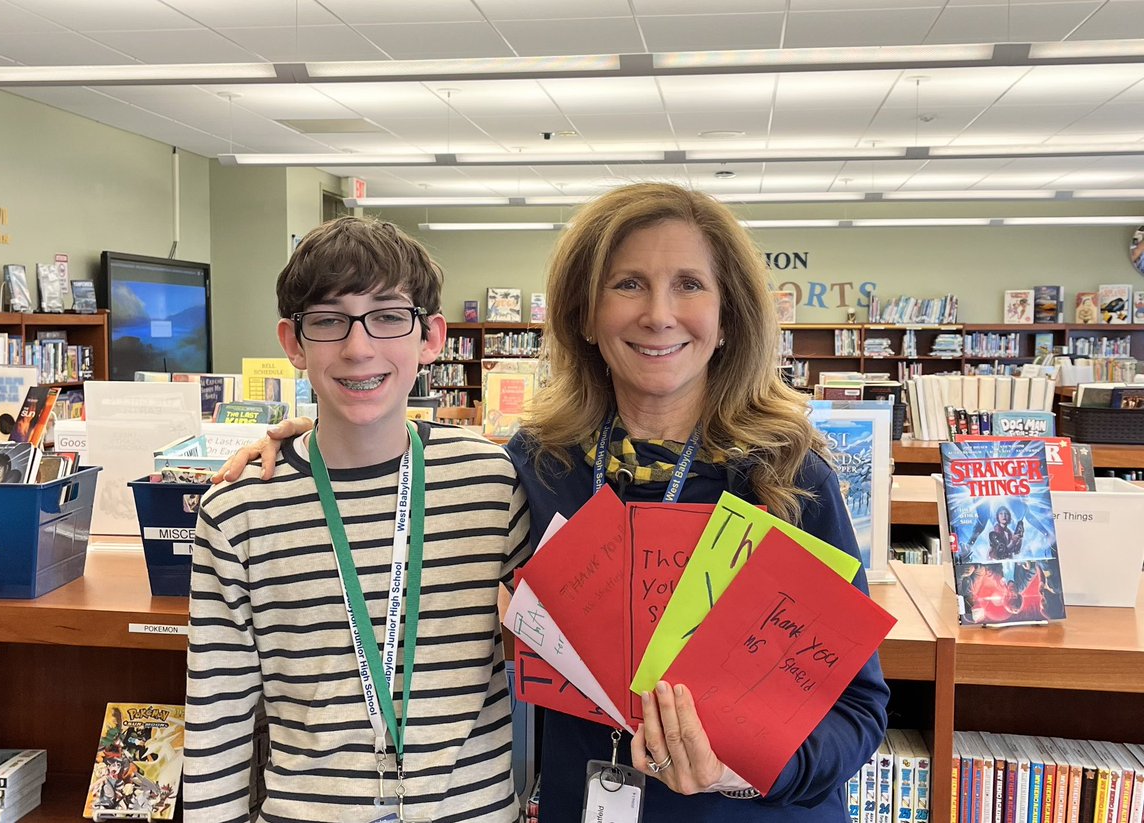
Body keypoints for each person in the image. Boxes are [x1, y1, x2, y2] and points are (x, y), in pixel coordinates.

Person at [219, 183, 889, 821]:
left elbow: (859, 709)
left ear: (727, 316)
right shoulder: (543, 465)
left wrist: (735, 771)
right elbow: (419, 469)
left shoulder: (787, 476)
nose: (658, 313)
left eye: (689, 284)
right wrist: (330, 431)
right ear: (586, 316)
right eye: (627, 284)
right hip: (584, 804)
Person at [185, 216, 532, 823]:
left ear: (432, 338)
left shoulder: (491, 482)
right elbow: (217, 724)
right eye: (327, 320)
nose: (358, 347)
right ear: (292, 343)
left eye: (389, 316)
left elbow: (588, 634)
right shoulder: (237, 509)